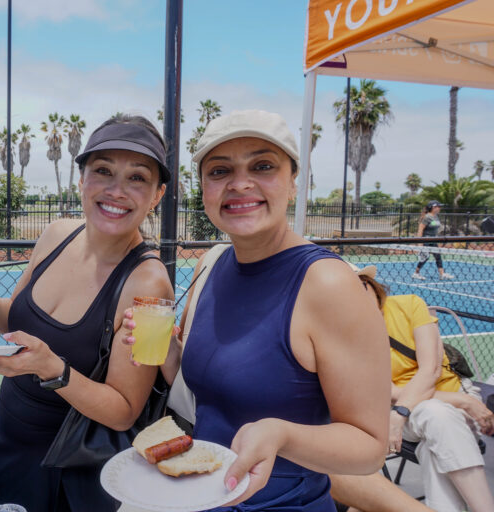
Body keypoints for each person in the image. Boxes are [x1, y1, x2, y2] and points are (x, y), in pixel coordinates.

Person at [126, 110, 391, 511]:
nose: (240, 183)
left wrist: (282, 435)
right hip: (200, 497)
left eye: (263, 166)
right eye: (219, 171)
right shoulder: (211, 264)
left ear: (294, 182)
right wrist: (165, 350)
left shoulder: (328, 284)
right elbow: (208, 395)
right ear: (204, 189)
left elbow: (369, 448)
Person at [0, 114, 174, 512]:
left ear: (157, 195)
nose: (116, 190)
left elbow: (124, 412)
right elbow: (14, 323)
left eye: (137, 177)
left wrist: (52, 369)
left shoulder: (147, 283)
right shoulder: (57, 234)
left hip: (57, 476)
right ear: (82, 180)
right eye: (103, 171)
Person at [340, 265, 494, 512]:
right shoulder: (347, 337)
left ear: (371, 284)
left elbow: (430, 370)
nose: (356, 296)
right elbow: (391, 393)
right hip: (408, 412)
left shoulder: (410, 304)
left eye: (360, 285)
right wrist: (463, 402)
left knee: (433, 445)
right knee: (435, 413)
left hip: (436, 404)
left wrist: (401, 413)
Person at [413, 200, 454, 280]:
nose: (439, 208)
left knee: (438, 256)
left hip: (433, 240)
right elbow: (420, 229)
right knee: (425, 257)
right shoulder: (427, 217)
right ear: (432, 207)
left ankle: (442, 274)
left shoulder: (436, 216)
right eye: (437, 207)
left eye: (439, 207)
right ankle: (416, 273)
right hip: (426, 240)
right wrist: (420, 243)